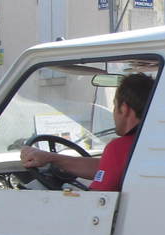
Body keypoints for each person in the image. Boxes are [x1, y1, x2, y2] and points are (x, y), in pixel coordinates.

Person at [20, 72, 154, 191]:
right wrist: (52, 158)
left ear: (124, 109)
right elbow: (106, 167)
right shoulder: (150, 144)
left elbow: (97, 202)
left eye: (114, 105)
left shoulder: (119, 148)